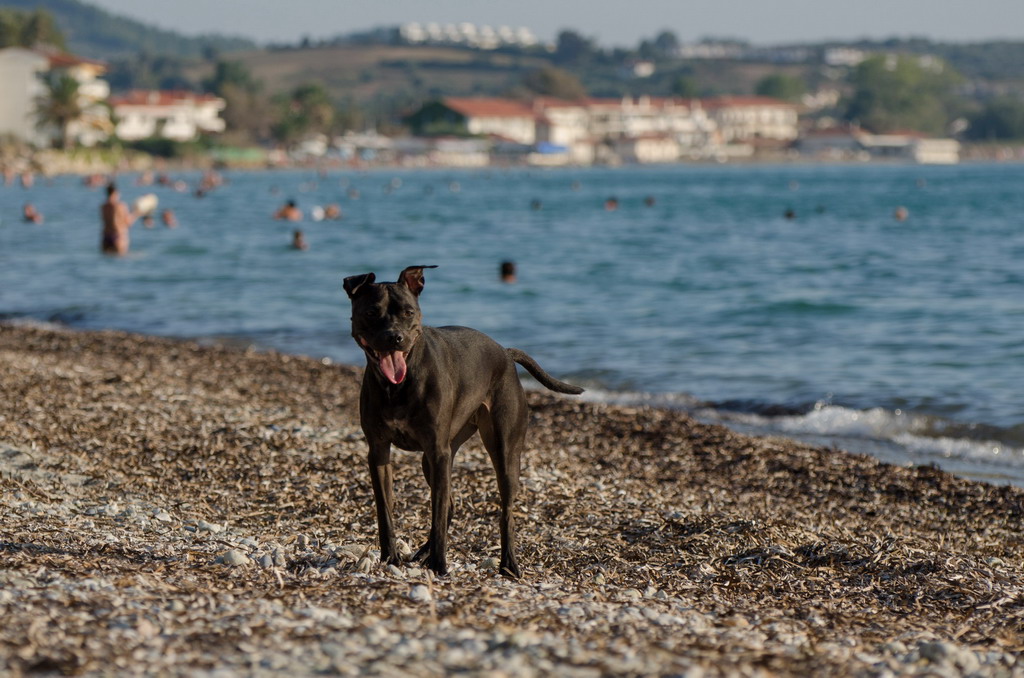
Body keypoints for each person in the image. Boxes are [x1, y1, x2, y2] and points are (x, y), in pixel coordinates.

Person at [100, 183, 138, 256]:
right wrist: (136, 213)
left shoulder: (103, 207)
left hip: (105, 237)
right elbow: (128, 223)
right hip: (118, 236)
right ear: (115, 193)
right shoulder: (120, 206)